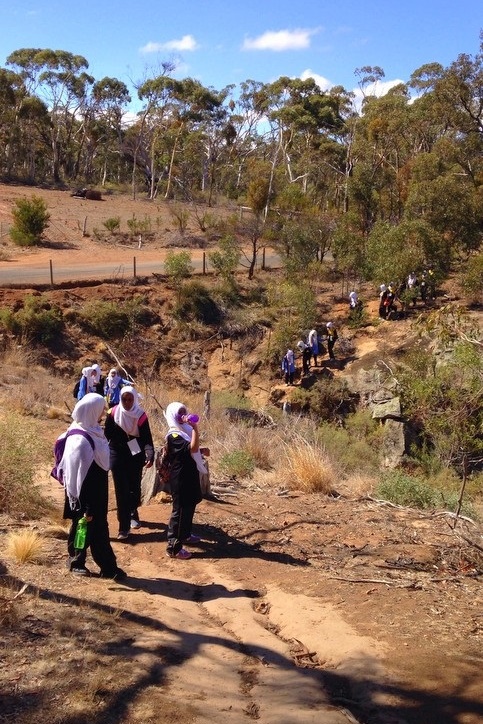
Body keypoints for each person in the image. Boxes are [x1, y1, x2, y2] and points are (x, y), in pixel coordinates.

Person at [57, 393, 126, 580]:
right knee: (84, 527)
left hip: (97, 491)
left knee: (97, 528)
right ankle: (79, 562)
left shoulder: (92, 431)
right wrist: (84, 504)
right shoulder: (79, 440)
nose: (103, 413)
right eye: (101, 409)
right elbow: (76, 475)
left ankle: (106, 566)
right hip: (86, 495)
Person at [104, 385, 154, 540]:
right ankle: (123, 527)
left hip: (135, 453)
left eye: (130, 399)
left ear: (134, 399)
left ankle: (133, 512)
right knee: (121, 490)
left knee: (134, 488)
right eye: (124, 399)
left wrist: (150, 454)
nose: (126, 402)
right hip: (116, 453)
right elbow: (106, 436)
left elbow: (147, 438)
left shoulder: (141, 416)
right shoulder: (112, 413)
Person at [164, 401, 210, 560]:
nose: (183, 415)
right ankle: (173, 547)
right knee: (180, 511)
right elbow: (192, 449)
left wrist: (202, 450)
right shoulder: (174, 435)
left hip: (189, 475)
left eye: (184, 411)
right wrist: (196, 428)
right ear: (173, 416)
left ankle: (185, 534)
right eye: (179, 413)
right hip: (180, 478)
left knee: (190, 505)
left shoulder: (184, 431)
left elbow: (192, 450)